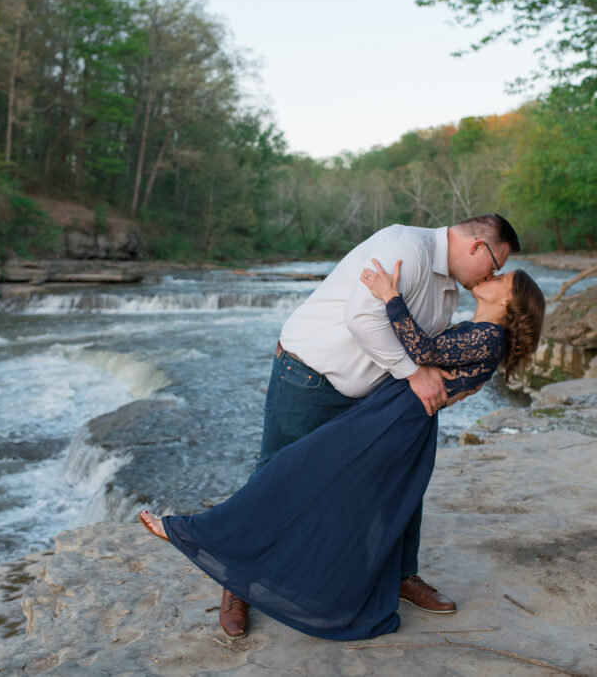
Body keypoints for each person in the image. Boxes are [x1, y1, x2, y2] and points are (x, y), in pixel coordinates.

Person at [138, 258, 545, 640]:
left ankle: (192, 533)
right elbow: (425, 359)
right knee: (335, 489)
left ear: (508, 301)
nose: (491, 277)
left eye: (501, 279)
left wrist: (389, 295)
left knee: (293, 469)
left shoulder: (488, 336)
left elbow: (423, 353)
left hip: (393, 421)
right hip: (392, 413)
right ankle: (233, 563)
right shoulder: (473, 331)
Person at [213, 214, 520, 638]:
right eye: (494, 264)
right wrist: (415, 373)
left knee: (397, 483)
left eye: (498, 273)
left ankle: (399, 576)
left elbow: (429, 344)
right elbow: (364, 319)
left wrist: (464, 377)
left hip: (373, 396)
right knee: (277, 473)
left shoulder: (450, 287)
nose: (493, 273)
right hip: (311, 376)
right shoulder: (405, 248)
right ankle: (237, 583)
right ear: (476, 247)